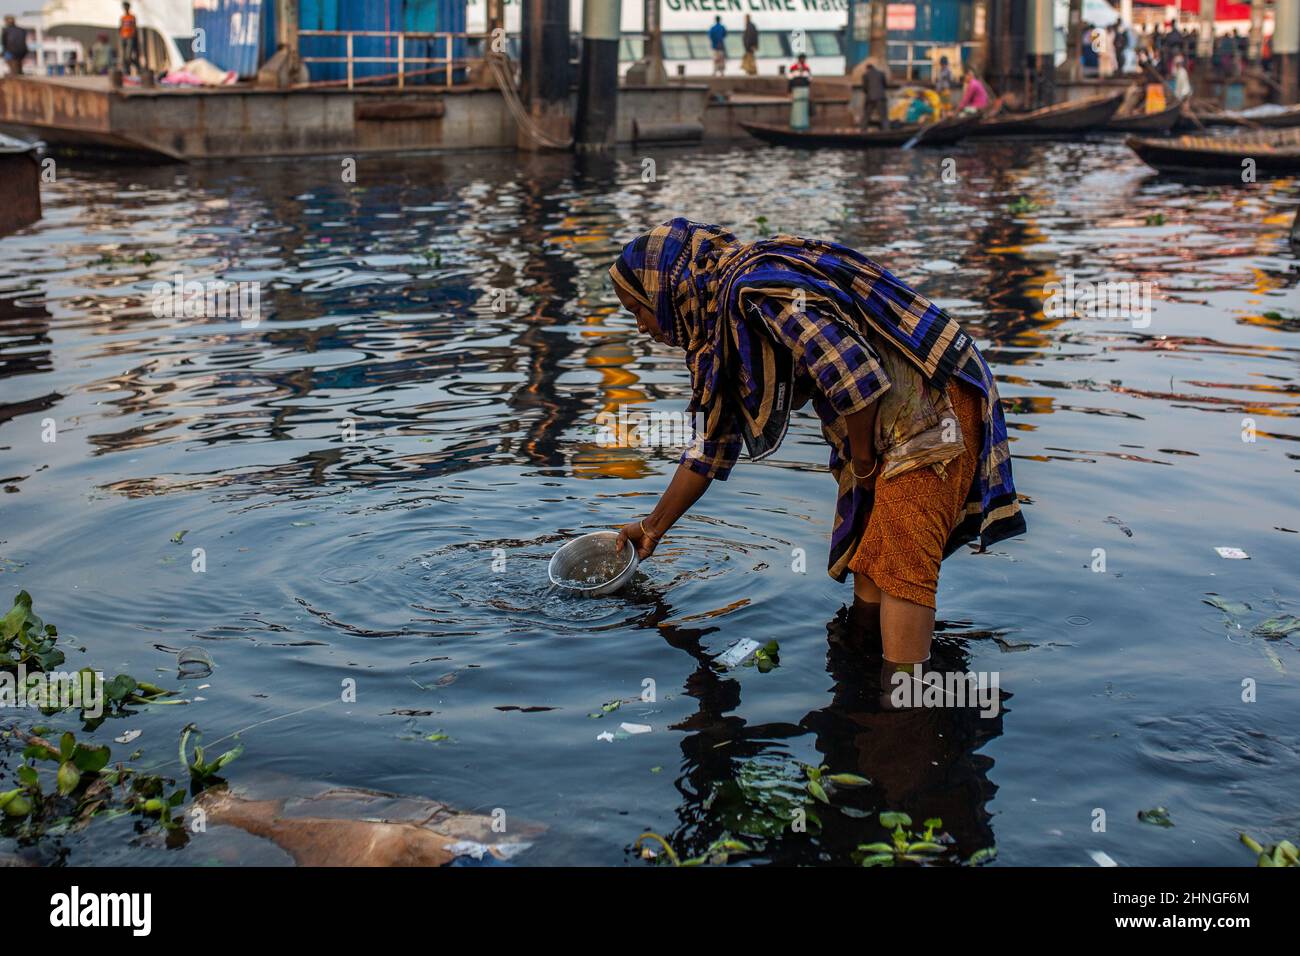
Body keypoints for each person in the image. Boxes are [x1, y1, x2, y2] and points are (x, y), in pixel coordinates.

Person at [610, 220, 1026, 670]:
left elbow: (854, 373)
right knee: (870, 560)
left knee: (903, 567)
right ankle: (864, 687)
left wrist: (864, 465)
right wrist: (652, 529)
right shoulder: (718, 322)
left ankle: (906, 710)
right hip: (885, 417)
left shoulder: (755, 289)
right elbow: (711, 444)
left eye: (639, 309)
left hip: (932, 405)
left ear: (665, 290)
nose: (640, 326)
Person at [861, 60, 889, 130]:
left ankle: (863, 130)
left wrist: (868, 93)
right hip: (880, 97)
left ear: (867, 68)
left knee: (866, 115)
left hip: (870, 98)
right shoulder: (881, 73)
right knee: (883, 116)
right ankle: (886, 131)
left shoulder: (865, 75)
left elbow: (865, 87)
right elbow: (885, 85)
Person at [788, 53, 812, 130]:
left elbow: (809, 81)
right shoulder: (793, 68)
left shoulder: (807, 68)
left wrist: (808, 91)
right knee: (796, 109)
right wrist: (789, 92)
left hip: (804, 90)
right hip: (796, 90)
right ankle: (796, 125)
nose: (803, 60)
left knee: (803, 109)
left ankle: (803, 125)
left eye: (804, 59)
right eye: (802, 59)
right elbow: (790, 81)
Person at [119, 2, 140, 76]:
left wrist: (133, 36)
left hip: (130, 37)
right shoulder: (122, 17)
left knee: (128, 55)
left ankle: (136, 66)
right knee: (124, 56)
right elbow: (120, 27)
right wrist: (121, 36)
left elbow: (134, 27)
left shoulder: (132, 17)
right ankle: (126, 70)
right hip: (123, 37)